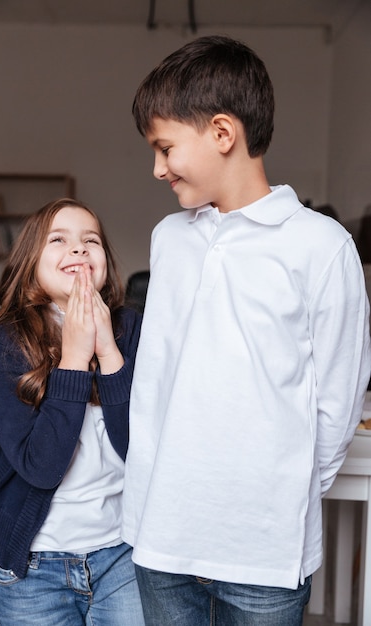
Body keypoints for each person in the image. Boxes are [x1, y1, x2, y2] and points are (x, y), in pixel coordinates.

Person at [121, 35, 371, 625]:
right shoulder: (170, 240)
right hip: (162, 538)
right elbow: (156, 382)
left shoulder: (322, 246)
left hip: (265, 556)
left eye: (165, 147)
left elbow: (337, 400)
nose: (157, 168)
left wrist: (281, 495)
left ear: (223, 133)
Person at [0, 198, 145, 626]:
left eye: (91, 240)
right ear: (30, 262)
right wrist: (76, 358)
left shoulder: (130, 329)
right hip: (34, 568)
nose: (79, 250)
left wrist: (109, 352)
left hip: (121, 554)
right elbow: (41, 467)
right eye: (59, 240)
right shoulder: (5, 344)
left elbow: (140, 449)